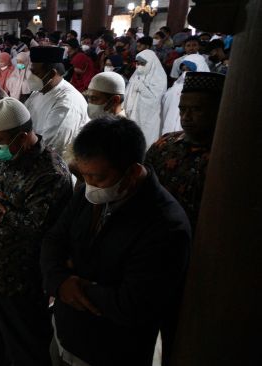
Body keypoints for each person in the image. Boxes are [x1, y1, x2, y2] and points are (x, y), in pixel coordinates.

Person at [41, 117, 191, 366]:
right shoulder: (89, 192)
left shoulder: (166, 224)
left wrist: (73, 286)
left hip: (111, 351)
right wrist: (59, 280)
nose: (89, 185)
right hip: (65, 333)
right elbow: (54, 239)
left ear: (132, 172)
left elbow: (132, 304)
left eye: (97, 178)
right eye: (84, 175)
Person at [0, 97, 72, 366]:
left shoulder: (49, 173)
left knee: (25, 348)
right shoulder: (7, 155)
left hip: (18, 281)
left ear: (25, 136)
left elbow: (36, 228)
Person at [145, 72, 224, 366]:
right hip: (156, 259)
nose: (187, 117)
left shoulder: (228, 156)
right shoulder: (165, 147)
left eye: (198, 109)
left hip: (203, 266)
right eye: (183, 109)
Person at [24, 46, 89, 154]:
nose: (31, 77)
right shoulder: (39, 91)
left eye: (35, 73)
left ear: (52, 74)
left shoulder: (67, 102)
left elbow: (51, 148)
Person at [124, 49, 168, 147]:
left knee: (146, 139)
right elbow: (127, 94)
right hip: (133, 114)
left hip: (149, 117)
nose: (139, 66)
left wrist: (142, 88)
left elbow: (155, 100)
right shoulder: (135, 75)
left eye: (142, 63)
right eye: (137, 63)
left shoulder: (159, 77)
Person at [160, 54, 210, 135]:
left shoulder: (205, 91)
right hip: (170, 127)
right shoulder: (176, 86)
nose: (185, 73)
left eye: (189, 69)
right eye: (183, 70)